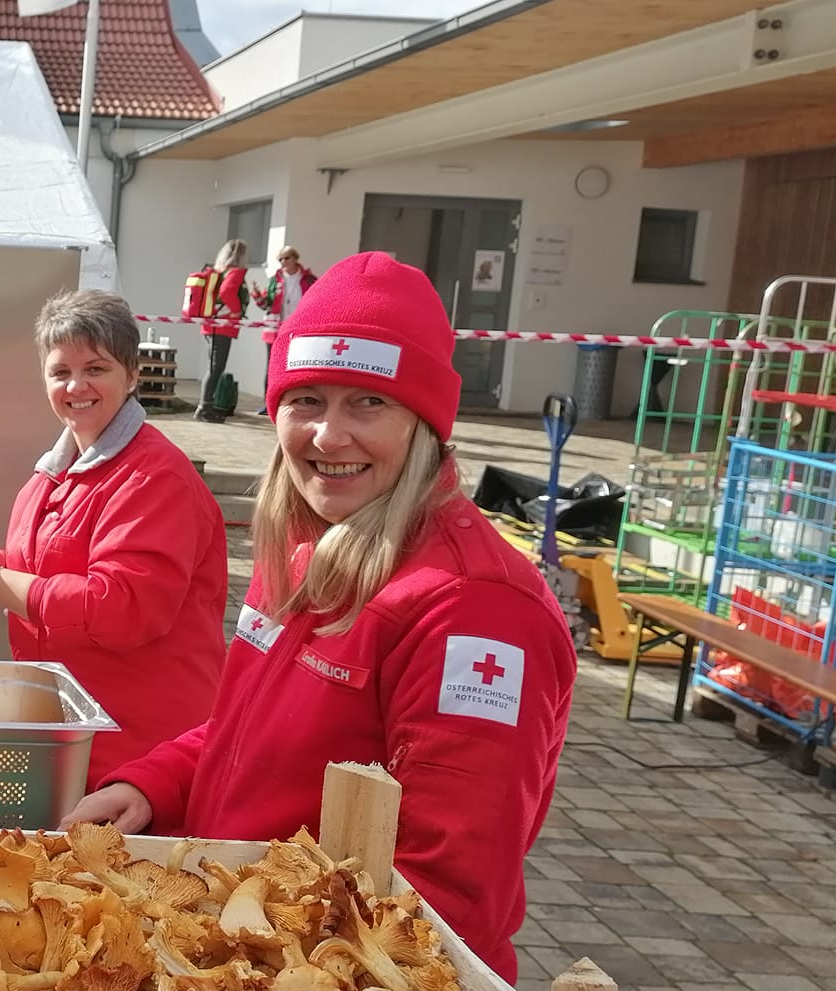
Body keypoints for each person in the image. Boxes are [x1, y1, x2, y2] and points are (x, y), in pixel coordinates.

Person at [60, 253, 576, 985]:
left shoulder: (474, 611)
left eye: (368, 403)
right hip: (246, 942)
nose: (329, 437)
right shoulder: (310, 549)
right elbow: (250, 727)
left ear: (424, 423)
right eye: (307, 400)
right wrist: (155, 784)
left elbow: (446, 890)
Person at [0, 289, 227, 784]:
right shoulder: (55, 472)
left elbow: (123, 607)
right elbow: (57, 573)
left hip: (138, 745)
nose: (76, 385)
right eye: (60, 371)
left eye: (96, 368)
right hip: (74, 726)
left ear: (132, 375)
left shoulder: (155, 478)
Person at [187, 239, 251, 422]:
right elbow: (227, 292)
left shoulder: (220, 272)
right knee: (216, 367)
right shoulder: (235, 272)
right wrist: (237, 310)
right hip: (222, 325)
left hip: (213, 324)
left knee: (214, 367)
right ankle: (204, 407)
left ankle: (206, 405)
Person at [255, 245, 320, 411]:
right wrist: (257, 296)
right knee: (272, 367)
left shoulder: (309, 279)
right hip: (275, 330)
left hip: (300, 331)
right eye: (280, 259)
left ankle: (295, 401)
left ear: (295, 259)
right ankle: (268, 403)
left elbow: (316, 302)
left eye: (287, 258)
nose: (283, 262)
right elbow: (266, 305)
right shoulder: (274, 280)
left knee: (296, 366)